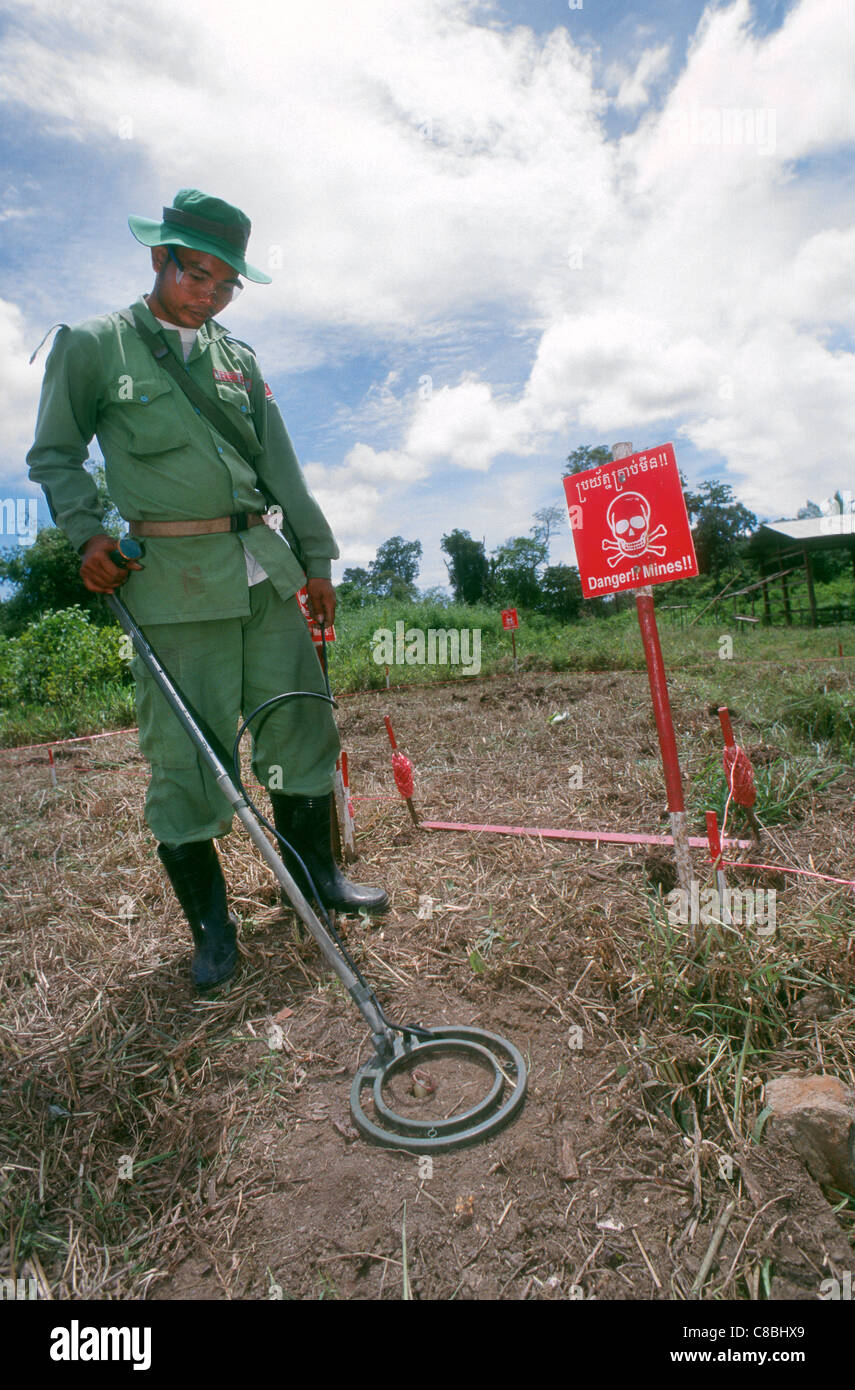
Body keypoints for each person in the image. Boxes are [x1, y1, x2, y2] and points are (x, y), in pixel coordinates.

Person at [27, 188, 389, 991]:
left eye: (227, 284)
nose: (210, 295)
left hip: (263, 572)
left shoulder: (239, 359)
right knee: (189, 762)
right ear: (159, 259)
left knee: (301, 731)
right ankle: (214, 933)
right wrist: (88, 533)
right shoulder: (94, 347)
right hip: (172, 585)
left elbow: (280, 466)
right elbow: (54, 453)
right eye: (197, 275)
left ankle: (317, 884)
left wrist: (318, 559)